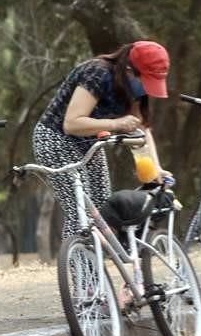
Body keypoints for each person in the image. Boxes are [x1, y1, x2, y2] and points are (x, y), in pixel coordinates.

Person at [32, 41, 171, 238]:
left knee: (103, 211)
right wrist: (116, 124)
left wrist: (155, 169)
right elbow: (71, 123)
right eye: (145, 81)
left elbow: (140, 129)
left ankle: (96, 264)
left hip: (89, 143)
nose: (146, 89)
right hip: (55, 139)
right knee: (79, 210)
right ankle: (81, 267)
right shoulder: (98, 73)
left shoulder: (133, 89)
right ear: (129, 70)